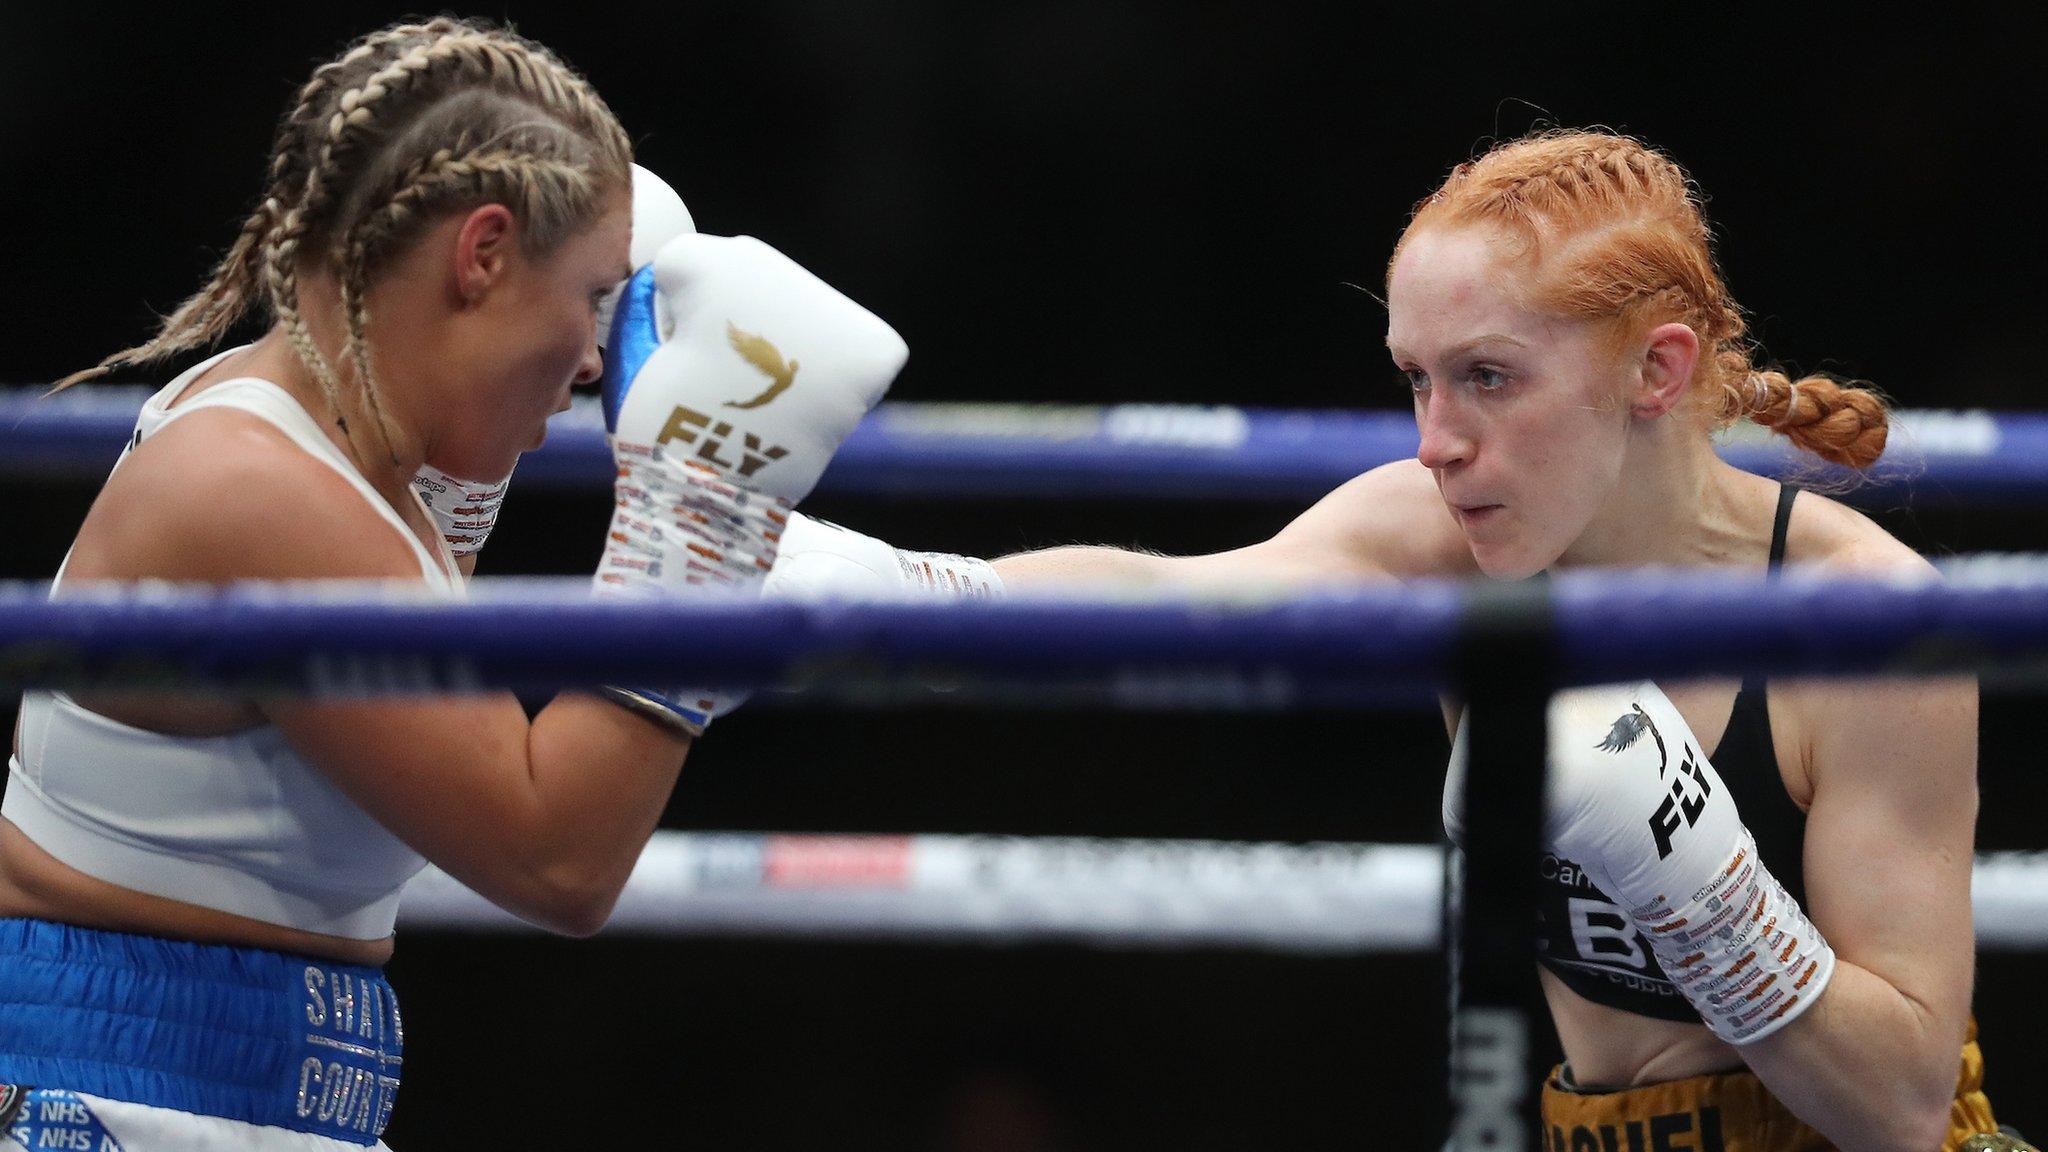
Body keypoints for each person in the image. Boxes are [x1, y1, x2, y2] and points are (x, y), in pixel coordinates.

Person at [764, 129, 2018, 1151]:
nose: (1433, 438)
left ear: (1654, 370)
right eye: (1414, 378)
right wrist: (890, 590)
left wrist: (1705, 892)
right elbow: (1179, 596)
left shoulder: (1866, 621)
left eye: (1485, 377)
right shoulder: (1447, 534)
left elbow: (1899, 1106)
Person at [0, 16, 904, 1149]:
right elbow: (554, 856)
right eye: (588, 298)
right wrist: (694, 530)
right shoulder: (258, 490)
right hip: (127, 1098)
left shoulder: (339, 470)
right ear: (480, 255)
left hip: (223, 1098)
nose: (592, 363)